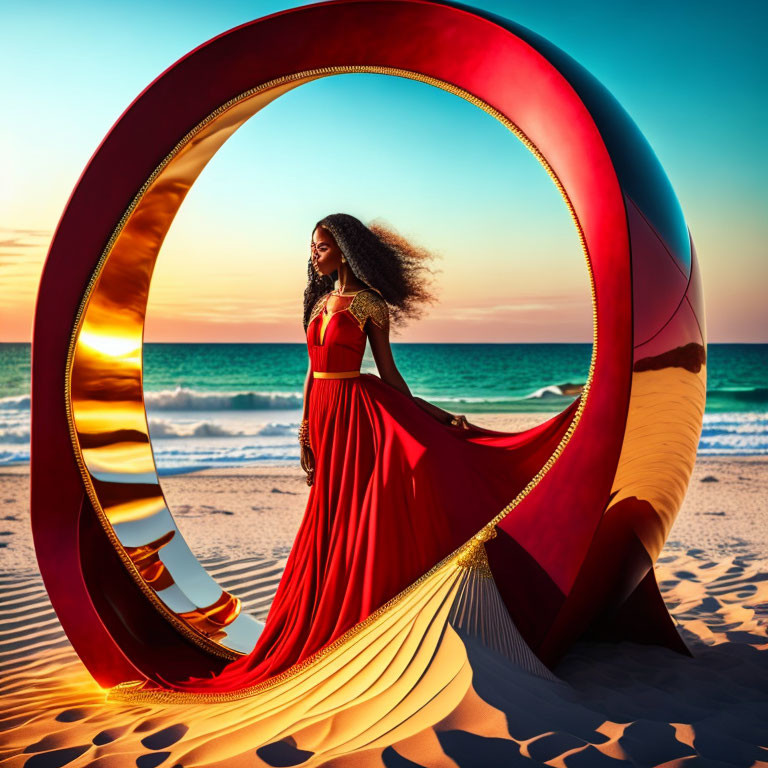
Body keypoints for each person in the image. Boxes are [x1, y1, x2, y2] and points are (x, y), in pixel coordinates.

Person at [128, 213, 576, 697]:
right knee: (327, 517)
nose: (314, 254)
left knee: (363, 512)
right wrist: (303, 428)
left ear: (343, 249)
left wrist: (438, 416)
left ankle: (369, 616)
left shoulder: (369, 304)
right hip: (324, 418)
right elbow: (310, 372)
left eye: (321, 246)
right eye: (312, 247)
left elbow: (389, 375)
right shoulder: (319, 302)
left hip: (358, 417)